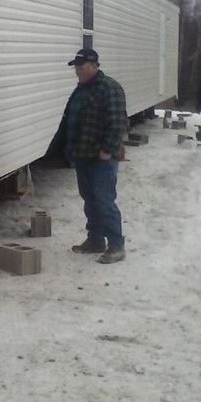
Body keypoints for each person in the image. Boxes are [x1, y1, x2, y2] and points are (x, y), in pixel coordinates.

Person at [52, 47, 129, 264]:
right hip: (82, 155)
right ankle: (95, 239)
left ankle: (116, 245)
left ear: (94, 65)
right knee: (90, 199)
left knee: (104, 200)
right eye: (75, 67)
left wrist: (107, 150)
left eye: (81, 66)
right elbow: (70, 120)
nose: (77, 71)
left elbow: (117, 123)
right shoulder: (82, 89)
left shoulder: (109, 88)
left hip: (101, 158)